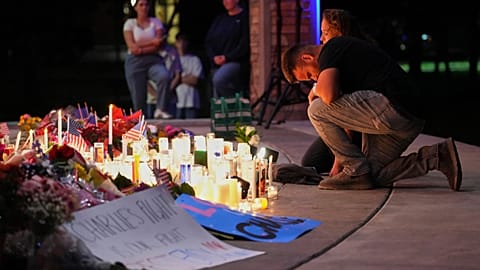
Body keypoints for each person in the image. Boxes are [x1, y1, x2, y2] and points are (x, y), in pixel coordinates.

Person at [281, 35, 462, 191]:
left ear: (307, 58)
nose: (314, 79)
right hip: (406, 120)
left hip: (393, 105)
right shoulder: (337, 71)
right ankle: (438, 156)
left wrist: (314, 90)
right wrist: (340, 163)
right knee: (370, 176)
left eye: (309, 75)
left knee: (315, 109)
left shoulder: (331, 49)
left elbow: (327, 95)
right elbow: (346, 121)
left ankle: (355, 168)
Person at [302, 8, 375, 174]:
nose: (321, 38)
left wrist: (338, 165)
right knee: (311, 162)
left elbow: (348, 117)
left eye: (326, 33)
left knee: (318, 108)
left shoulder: (351, 58)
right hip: (348, 124)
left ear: (341, 32)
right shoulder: (335, 57)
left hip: (364, 126)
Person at [123, 0, 172, 119]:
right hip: (135, 62)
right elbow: (132, 47)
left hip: (153, 59)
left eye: (146, 5)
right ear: (135, 8)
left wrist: (140, 47)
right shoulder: (130, 24)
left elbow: (158, 44)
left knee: (164, 76)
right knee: (139, 97)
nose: (144, 7)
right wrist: (151, 42)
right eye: (141, 5)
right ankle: (141, 123)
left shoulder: (156, 22)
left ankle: (160, 109)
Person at [204, 0, 250, 98]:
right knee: (214, 91)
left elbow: (244, 44)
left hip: (236, 62)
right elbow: (209, 41)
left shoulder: (244, 18)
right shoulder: (220, 19)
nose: (225, 2)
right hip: (217, 63)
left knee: (219, 79)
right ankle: (221, 112)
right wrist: (214, 57)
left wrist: (227, 57)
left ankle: (236, 102)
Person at [146, 38, 182, 119]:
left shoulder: (172, 52)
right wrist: (156, 94)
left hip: (170, 98)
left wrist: (166, 93)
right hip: (152, 99)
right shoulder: (148, 51)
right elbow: (143, 78)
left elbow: (177, 75)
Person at [174, 32, 203, 119]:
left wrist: (178, 78)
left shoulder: (195, 60)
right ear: (176, 43)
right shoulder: (171, 60)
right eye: (179, 41)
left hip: (191, 101)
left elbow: (195, 80)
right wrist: (187, 78)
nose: (182, 44)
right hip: (176, 102)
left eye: (184, 41)